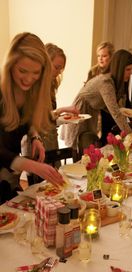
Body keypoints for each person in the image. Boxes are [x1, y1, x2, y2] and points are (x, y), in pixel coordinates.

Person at [0, 32, 64, 202]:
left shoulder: (30, 92)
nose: (29, 79)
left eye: (36, 73)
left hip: (8, 176)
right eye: (22, 71)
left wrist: (34, 136)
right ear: (10, 65)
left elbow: (27, 120)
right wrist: (32, 165)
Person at [63, 49, 132, 157]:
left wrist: (131, 117)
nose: (131, 73)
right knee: (80, 152)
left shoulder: (115, 82)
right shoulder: (105, 83)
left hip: (91, 113)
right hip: (80, 111)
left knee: (89, 152)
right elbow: (115, 113)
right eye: (128, 69)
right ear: (119, 68)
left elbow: (116, 108)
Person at [86, 41, 116, 146]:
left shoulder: (114, 73)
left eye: (104, 56)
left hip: (108, 113)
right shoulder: (93, 71)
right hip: (95, 111)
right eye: (98, 56)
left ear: (111, 57)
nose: (100, 59)